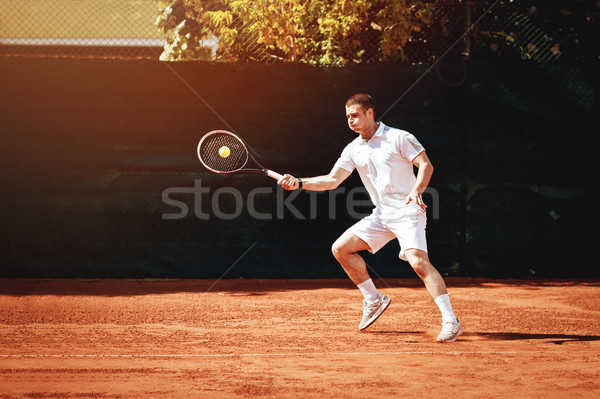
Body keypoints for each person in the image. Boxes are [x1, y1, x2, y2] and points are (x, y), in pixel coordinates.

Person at [278, 93, 462, 342]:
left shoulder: (399, 137)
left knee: (418, 262)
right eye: (347, 117)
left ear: (370, 113)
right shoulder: (353, 149)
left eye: (355, 115)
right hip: (382, 214)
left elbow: (426, 165)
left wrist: (417, 190)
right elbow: (333, 180)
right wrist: (299, 183)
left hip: (408, 210)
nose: (350, 121)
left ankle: (451, 320)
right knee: (341, 249)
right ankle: (373, 299)